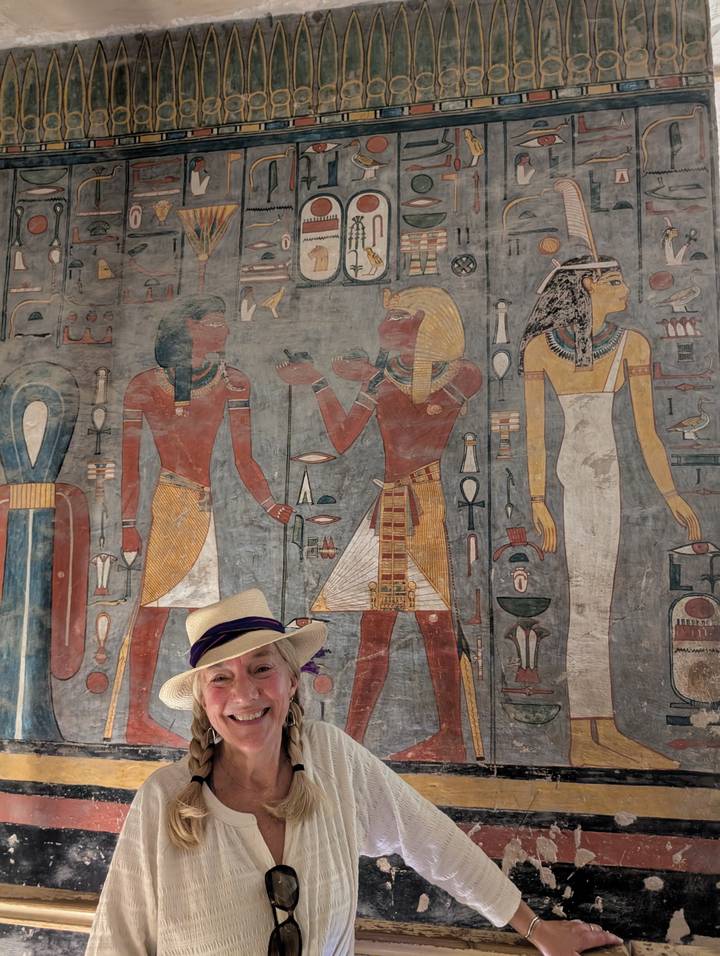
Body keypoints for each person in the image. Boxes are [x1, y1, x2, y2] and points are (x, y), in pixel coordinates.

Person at [86, 587, 624, 956]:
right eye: (220, 679)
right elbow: (118, 941)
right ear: (202, 701)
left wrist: (534, 927)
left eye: (261, 669)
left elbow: (433, 842)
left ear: (292, 681)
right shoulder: (164, 800)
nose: (245, 694)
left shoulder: (333, 762)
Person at [276, 286, 481, 763]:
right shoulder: (383, 378)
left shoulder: (462, 373)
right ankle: (354, 740)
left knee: (436, 625)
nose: (386, 323)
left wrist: (372, 376)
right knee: (375, 630)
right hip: (389, 506)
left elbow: (422, 412)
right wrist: (319, 383)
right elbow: (343, 438)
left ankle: (451, 735)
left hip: (423, 503)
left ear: (428, 323)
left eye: (399, 315)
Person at [519, 255, 702, 770]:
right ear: (588, 287)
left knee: (597, 603)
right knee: (586, 602)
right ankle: (587, 734)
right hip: (575, 477)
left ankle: (600, 728)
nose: (625, 291)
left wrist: (671, 494)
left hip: (607, 476)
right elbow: (536, 431)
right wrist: (537, 499)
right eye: (615, 282)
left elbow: (647, 432)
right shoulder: (541, 349)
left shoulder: (631, 344)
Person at [117, 295, 291, 747]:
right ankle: (137, 716)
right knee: (154, 614)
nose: (224, 330)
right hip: (172, 504)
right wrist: (126, 524)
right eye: (214, 323)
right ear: (187, 328)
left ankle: (203, 725)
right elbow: (130, 464)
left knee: (205, 624)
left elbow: (243, 456)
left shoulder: (233, 382)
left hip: (205, 508)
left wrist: (270, 503)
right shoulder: (144, 386)